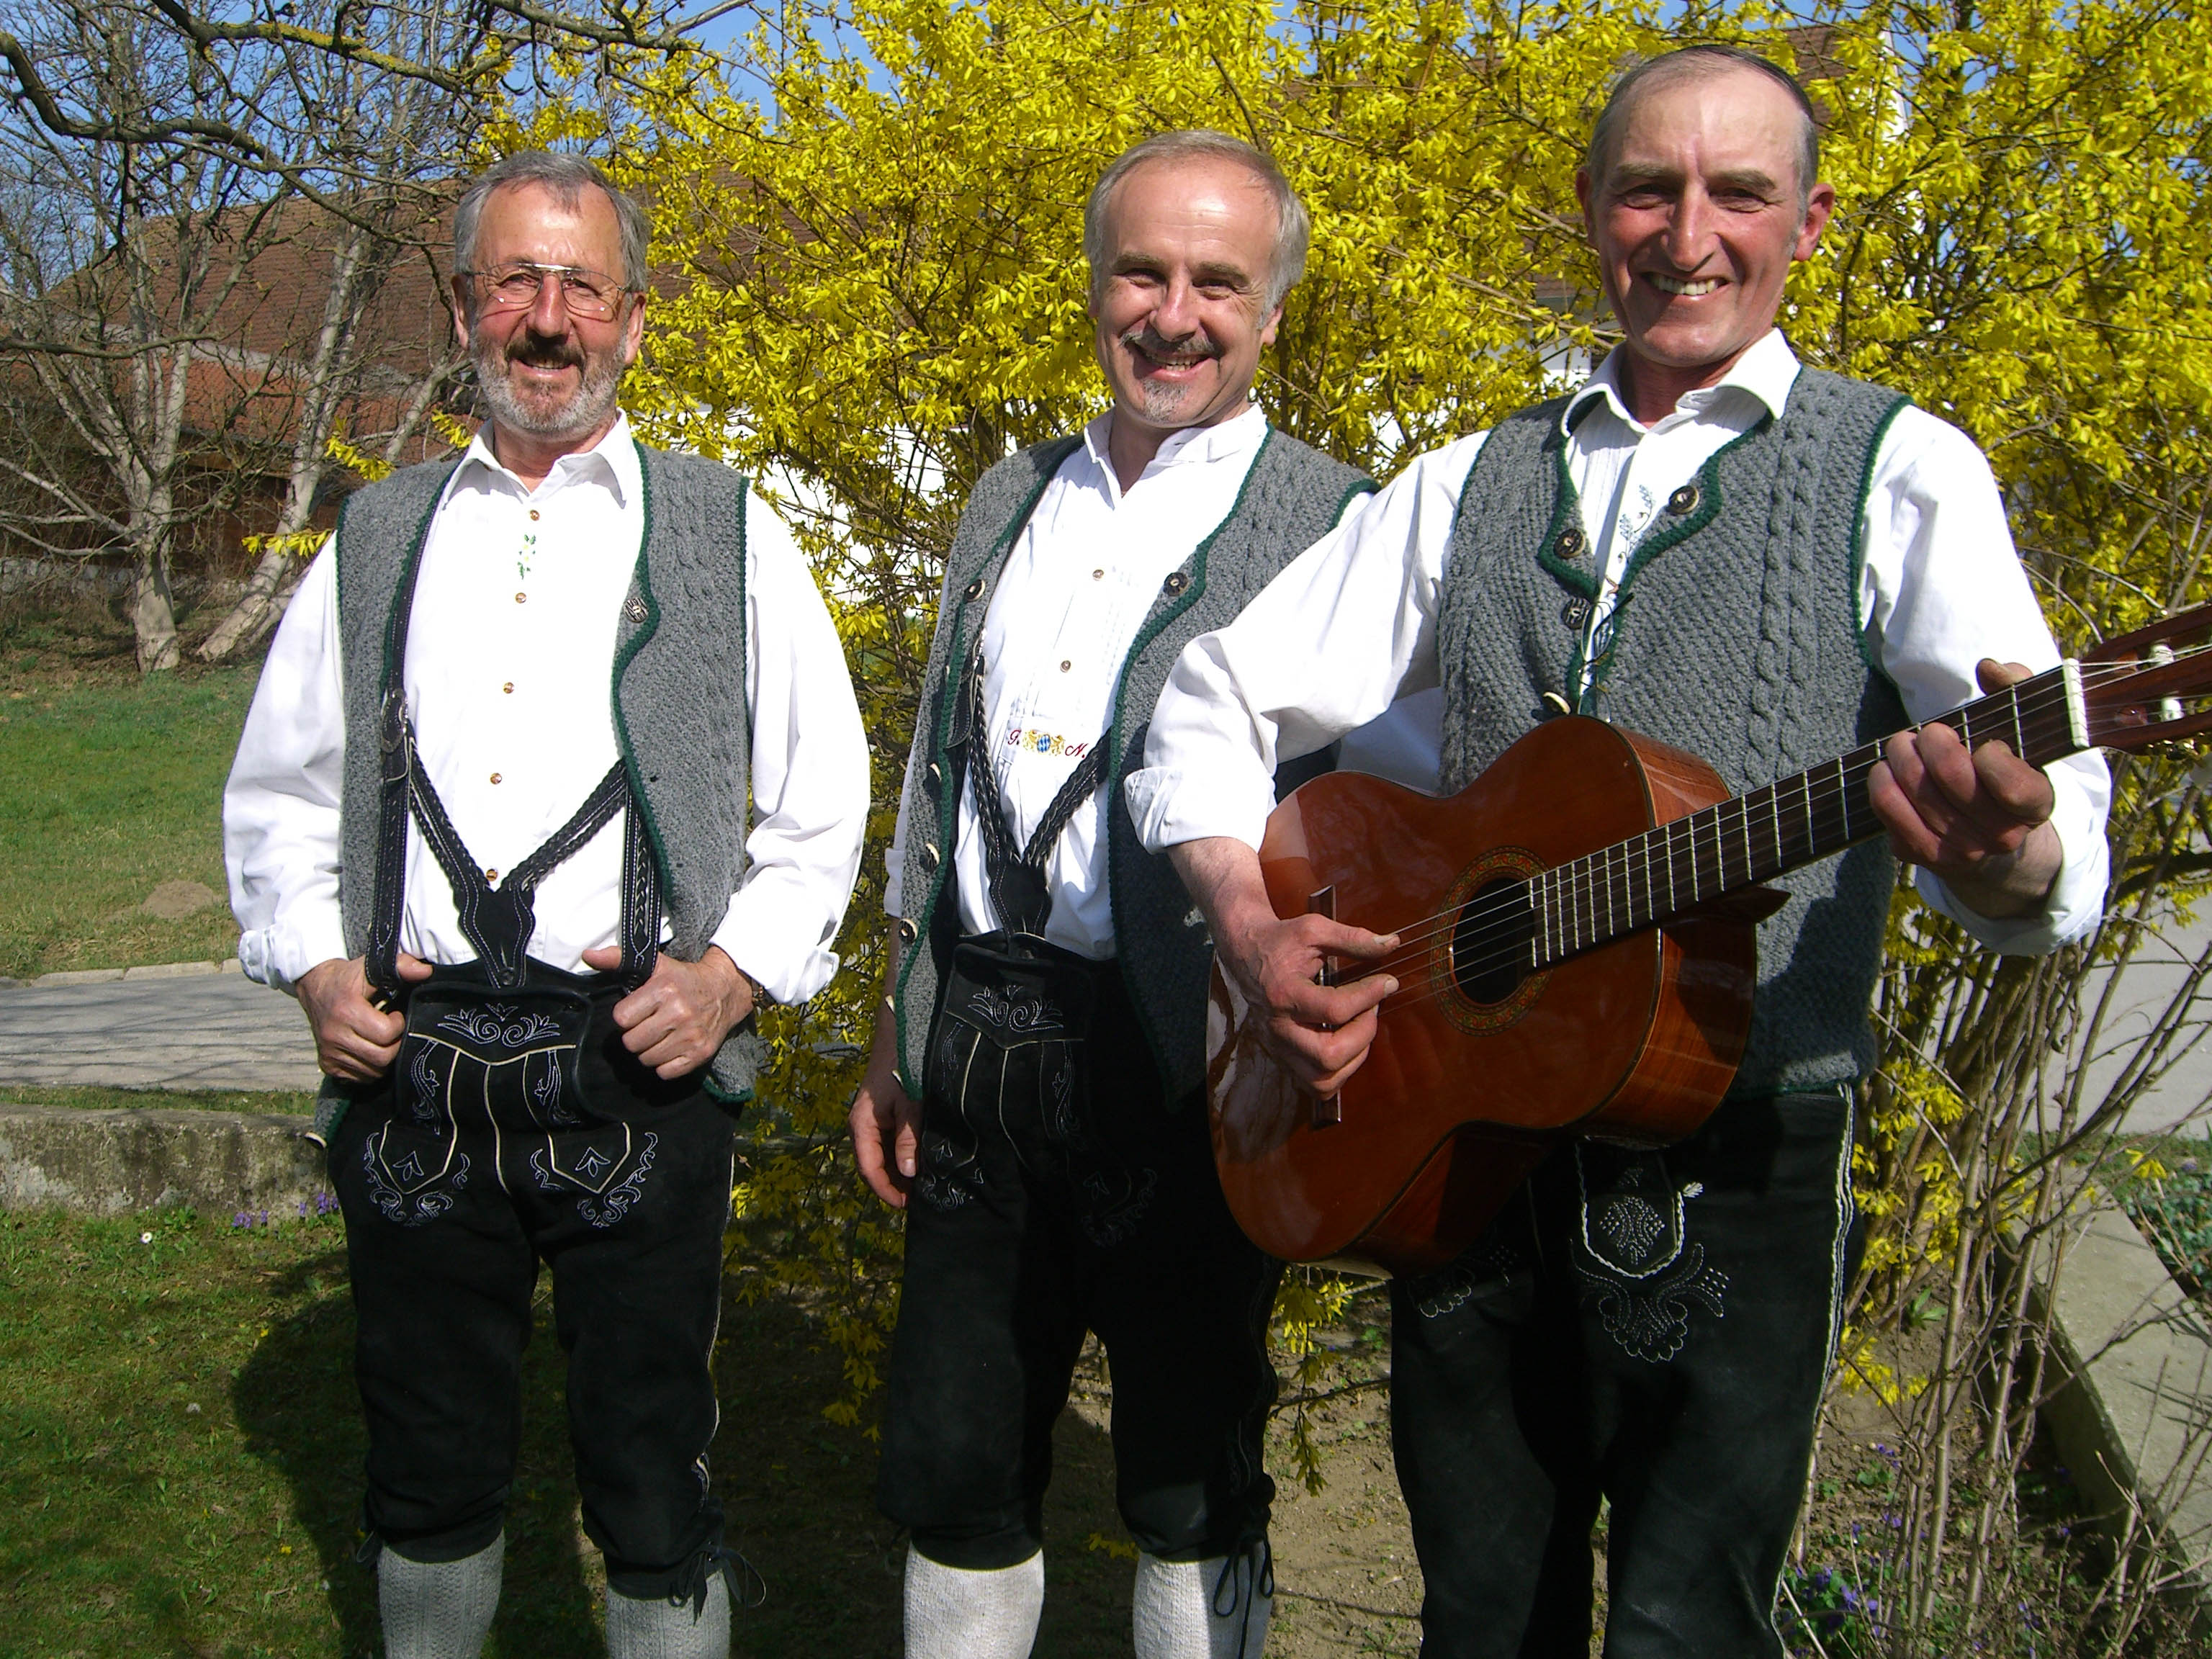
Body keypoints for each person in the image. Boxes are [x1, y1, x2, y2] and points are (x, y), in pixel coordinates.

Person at [1128, 48, 2110, 1659]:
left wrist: (2001, 846)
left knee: (1681, 1631)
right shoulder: (1473, 477)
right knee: (1481, 1618)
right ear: (1593, 209)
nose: (1690, 233)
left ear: (1811, 222)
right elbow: (1219, 689)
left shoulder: (1902, 469)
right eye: (1651, 187)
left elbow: (2037, 870)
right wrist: (1246, 921)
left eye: (1741, 193)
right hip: (1462, 1141)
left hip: (1739, 1158)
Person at [224, 150, 870, 1659]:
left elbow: (823, 795)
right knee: (426, 1472)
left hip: (637, 1067)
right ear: (463, 308)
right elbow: (279, 791)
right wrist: (315, 968)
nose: (547, 316)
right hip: (411, 1066)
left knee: (652, 1477)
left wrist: (733, 978)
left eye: (581, 285)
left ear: (634, 321)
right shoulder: (377, 536)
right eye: (515, 279)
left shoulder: (729, 531)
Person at [845, 130, 1374, 1658]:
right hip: (984, 1048)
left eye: (1219, 281)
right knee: (957, 1467)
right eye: (1143, 270)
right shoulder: (1008, 498)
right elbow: (935, 780)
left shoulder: (1338, 524)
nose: (1175, 311)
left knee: (1188, 1477)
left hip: (1192, 1066)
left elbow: (1382, 822)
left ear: (1270, 312)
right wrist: (901, 1022)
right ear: (1096, 287)